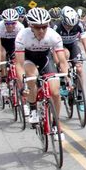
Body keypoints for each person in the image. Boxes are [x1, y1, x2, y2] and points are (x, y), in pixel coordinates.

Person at [15, 8, 69, 136]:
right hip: (29, 59)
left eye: (44, 27)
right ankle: (33, 107)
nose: (41, 30)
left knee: (55, 92)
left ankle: (56, 123)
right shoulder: (22, 36)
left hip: (45, 59)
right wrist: (22, 85)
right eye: (37, 27)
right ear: (31, 26)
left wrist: (66, 78)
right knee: (32, 77)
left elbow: (62, 61)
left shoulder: (53, 35)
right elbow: (19, 64)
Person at [53, 6, 86, 107]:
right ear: (62, 20)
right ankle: (63, 82)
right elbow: (53, 48)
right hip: (60, 46)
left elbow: (85, 43)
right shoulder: (56, 27)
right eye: (67, 25)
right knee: (65, 55)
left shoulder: (79, 25)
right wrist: (58, 64)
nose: (70, 27)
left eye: (72, 26)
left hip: (73, 45)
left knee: (79, 68)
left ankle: (80, 95)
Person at [0, 8, 24, 98]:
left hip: (14, 43)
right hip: (2, 43)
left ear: (16, 22)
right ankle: (3, 81)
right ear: (4, 22)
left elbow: (21, 47)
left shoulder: (20, 27)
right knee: (2, 54)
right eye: (7, 23)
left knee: (16, 60)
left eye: (13, 23)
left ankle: (17, 80)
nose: (10, 26)